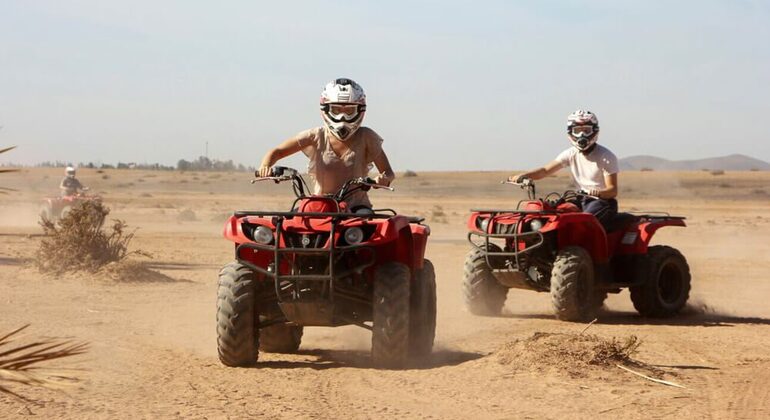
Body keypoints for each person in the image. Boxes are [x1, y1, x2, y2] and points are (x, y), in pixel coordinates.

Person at [257, 78, 395, 212]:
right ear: (326, 108)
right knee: (292, 224)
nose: (342, 117)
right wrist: (265, 166)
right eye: (336, 110)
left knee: (367, 227)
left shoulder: (366, 136)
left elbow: (388, 172)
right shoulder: (315, 135)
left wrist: (383, 179)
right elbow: (278, 151)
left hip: (356, 207)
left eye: (349, 111)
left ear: (360, 110)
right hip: (320, 206)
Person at [510, 109, 620, 229]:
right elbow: (545, 170)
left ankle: (580, 247)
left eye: (586, 130)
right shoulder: (571, 153)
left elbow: (612, 190)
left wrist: (598, 193)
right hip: (579, 199)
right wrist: (525, 175)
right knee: (553, 215)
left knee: (584, 221)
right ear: (570, 132)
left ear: (594, 131)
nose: (582, 135)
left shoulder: (606, 156)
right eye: (577, 130)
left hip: (601, 202)